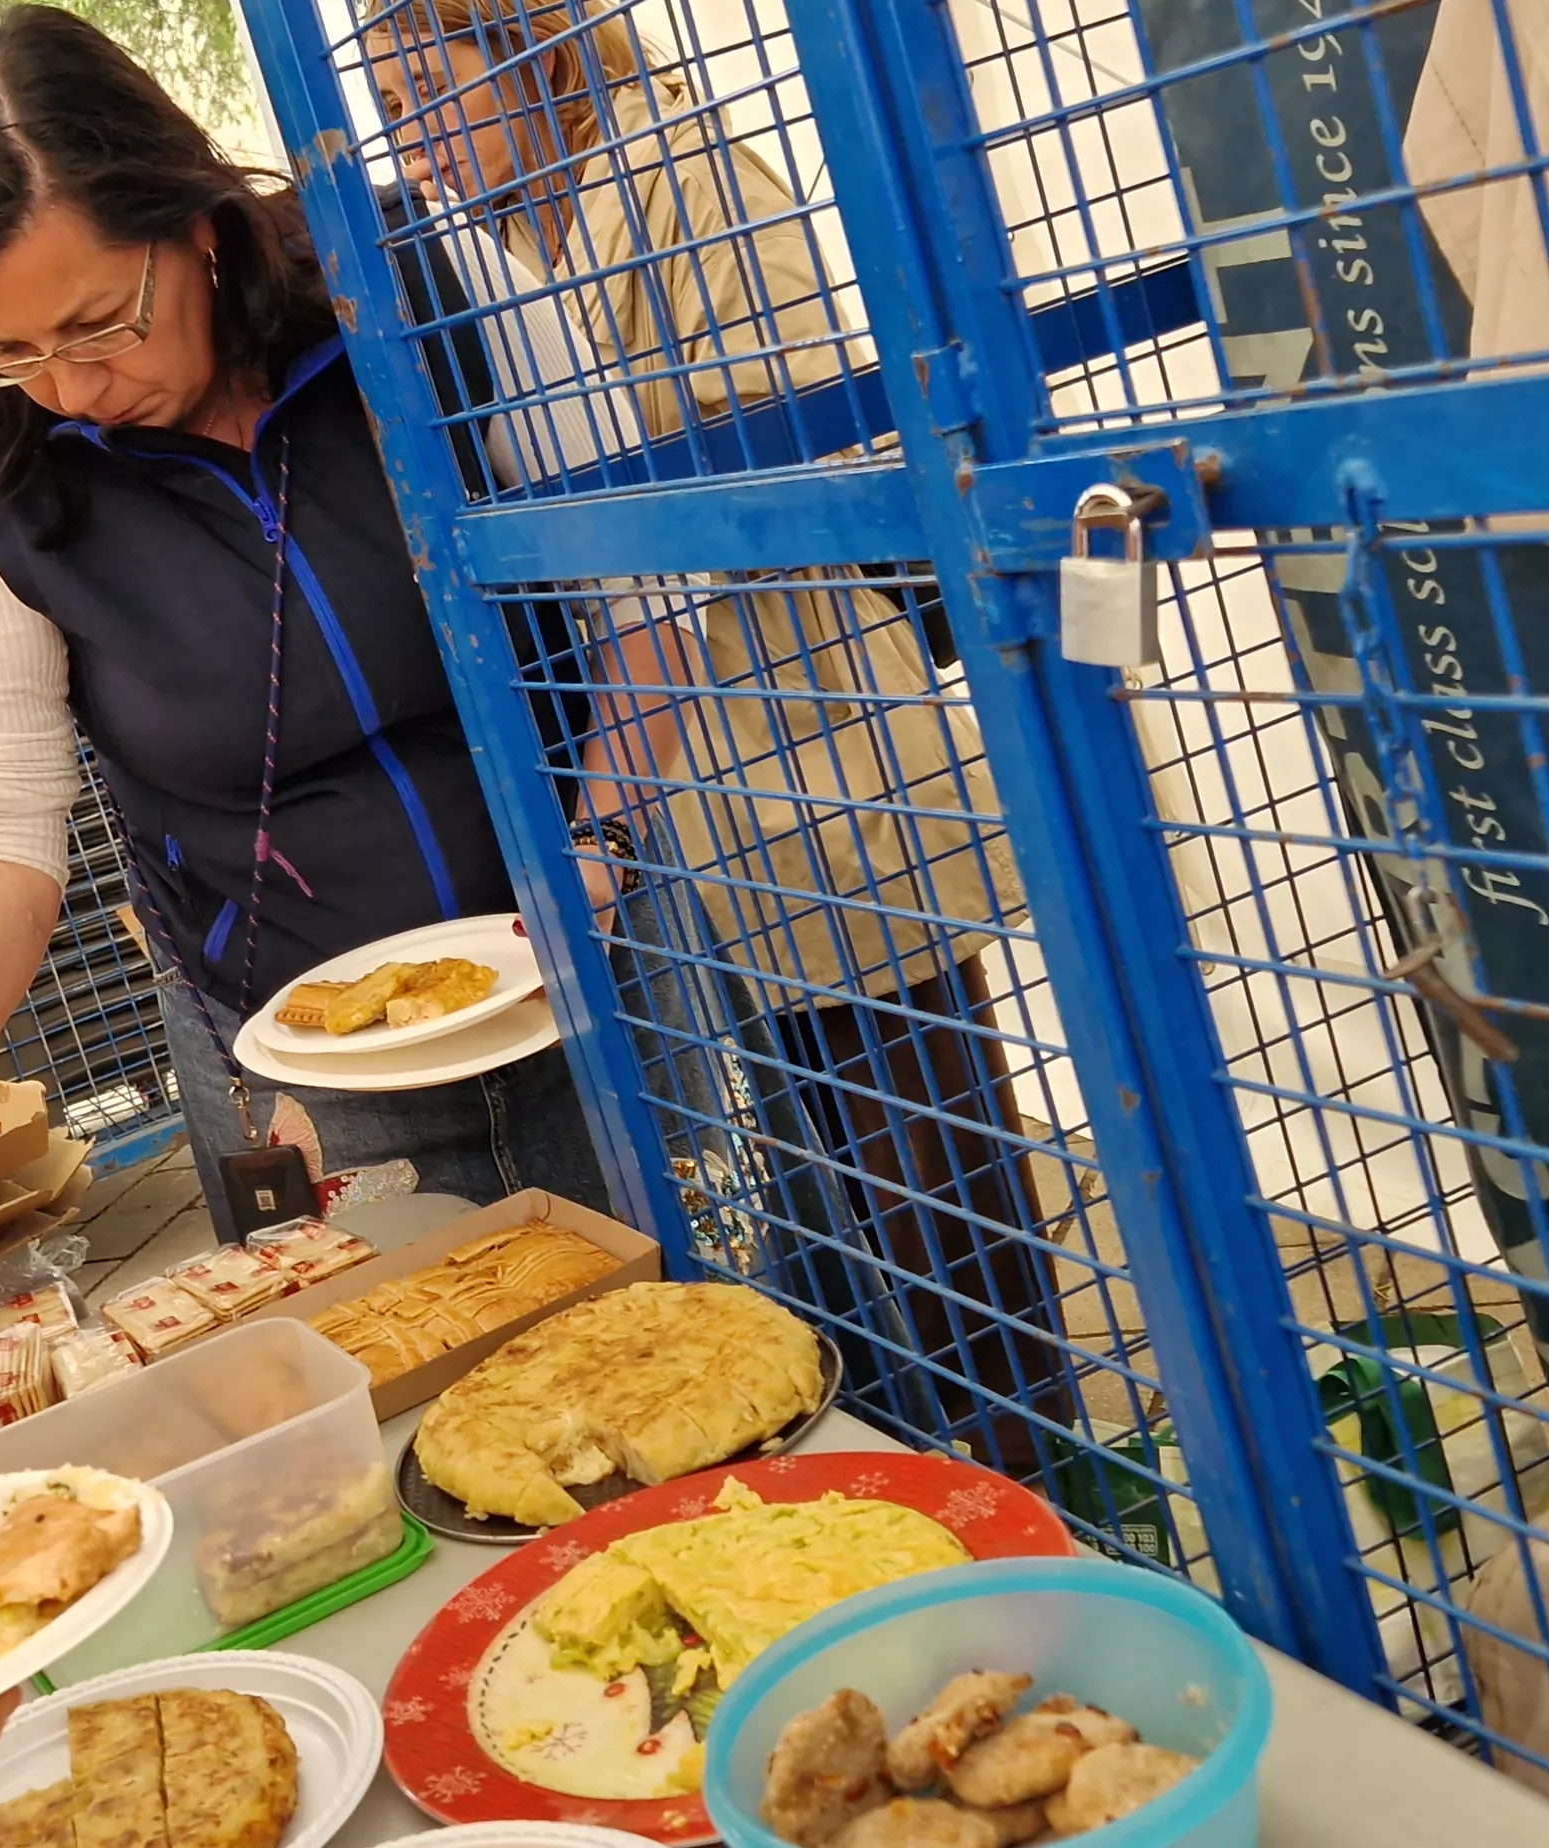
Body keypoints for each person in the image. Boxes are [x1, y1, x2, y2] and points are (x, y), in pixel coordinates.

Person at [0, 5, 693, 1300]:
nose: (70, 389)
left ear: (192, 221)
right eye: (10, 350)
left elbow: (645, 602)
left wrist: (604, 847)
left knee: (682, 1346)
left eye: (97, 324)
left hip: (590, 960)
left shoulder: (426, 278)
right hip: (299, 1054)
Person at [357, 0, 1085, 1449]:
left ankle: (1041, 1479)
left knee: (937, 1182)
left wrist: (578, 476)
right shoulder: (481, 257)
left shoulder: (685, 176)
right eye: (385, 104)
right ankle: (920, 1466)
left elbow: (818, 426)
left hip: (816, 742)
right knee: (829, 1212)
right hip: (689, 782)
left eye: (431, 85)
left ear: (533, 51)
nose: (413, 137)